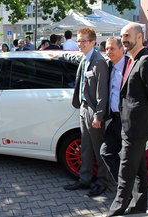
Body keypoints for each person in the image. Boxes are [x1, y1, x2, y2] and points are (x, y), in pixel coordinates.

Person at [107, 23, 148, 216]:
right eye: (122, 36)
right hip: (128, 124)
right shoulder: (132, 60)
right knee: (138, 168)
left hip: (138, 127)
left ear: (139, 36)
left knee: (126, 169)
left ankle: (117, 208)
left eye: (127, 35)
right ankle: (139, 206)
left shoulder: (147, 61)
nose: (124, 39)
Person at [63, 27, 109, 197]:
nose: (79, 43)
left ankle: (102, 182)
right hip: (83, 108)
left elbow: (102, 93)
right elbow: (72, 57)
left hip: (93, 111)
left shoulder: (99, 62)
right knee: (86, 148)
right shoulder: (84, 58)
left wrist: (98, 115)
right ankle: (84, 179)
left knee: (98, 149)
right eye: (78, 40)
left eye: (83, 40)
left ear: (92, 42)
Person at [100, 37, 129, 183]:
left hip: (128, 120)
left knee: (129, 158)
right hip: (115, 118)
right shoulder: (108, 65)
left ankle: (129, 193)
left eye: (112, 48)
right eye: (107, 49)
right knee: (106, 152)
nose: (108, 52)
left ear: (122, 49)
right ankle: (124, 188)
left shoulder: (130, 66)